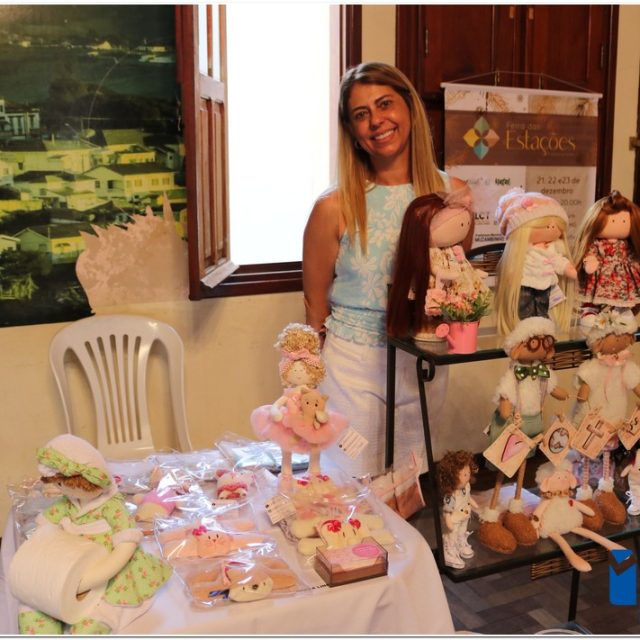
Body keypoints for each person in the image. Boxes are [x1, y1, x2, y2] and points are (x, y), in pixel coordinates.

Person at [302, 62, 466, 479]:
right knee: (352, 484)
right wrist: (308, 379)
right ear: (352, 131)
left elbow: (456, 284)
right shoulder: (333, 206)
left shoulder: (453, 196)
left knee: (411, 484)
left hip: (422, 360)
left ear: (408, 107)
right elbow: (315, 304)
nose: (376, 120)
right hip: (353, 367)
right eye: (361, 114)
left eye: (385, 104)